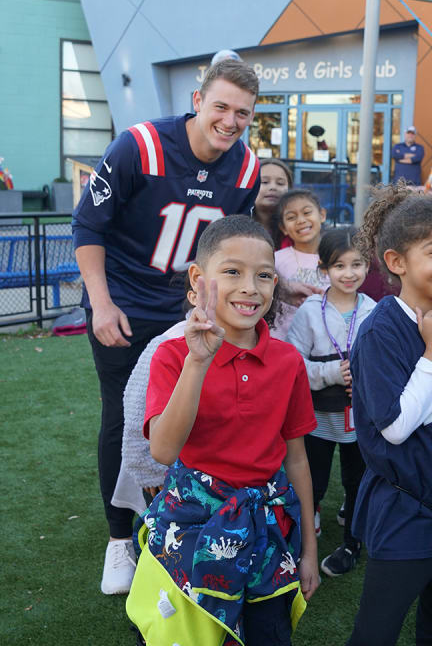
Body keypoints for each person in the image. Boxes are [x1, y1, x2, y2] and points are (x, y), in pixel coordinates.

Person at [72, 57, 262, 595]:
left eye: (242, 113)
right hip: (125, 301)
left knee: (188, 414)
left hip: (186, 309)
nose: (230, 120)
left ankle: (176, 517)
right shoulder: (140, 146)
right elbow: (88, 223)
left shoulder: (245, 168)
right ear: (198, 101)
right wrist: (101, 303)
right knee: (125, 417)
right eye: (221, 106)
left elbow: (227, 242)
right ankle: (118, 539)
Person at [128, 215, 319, 644]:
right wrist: (198, 361)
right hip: (190, 528)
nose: (251, 287)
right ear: (197, 279)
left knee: (268, 633)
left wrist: (309, 550)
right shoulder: (174, 356)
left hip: (267, 533)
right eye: (232, 271)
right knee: (189, 634)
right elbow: (162, 450)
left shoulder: (288, 362)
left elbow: (297, 459)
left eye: (264, 275)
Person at [345, 183, 432, 646]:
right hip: (406, 511)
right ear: (396, 262)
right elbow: (394, 427)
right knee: (376, 632)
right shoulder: (380, 331)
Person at [286, 227, 376, 579]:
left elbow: (385, 363)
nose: (349, 273)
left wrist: (364, 378)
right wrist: (330, 373)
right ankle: (302, 535)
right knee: (314, 479)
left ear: (368, 266)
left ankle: (352, 542)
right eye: (340, 266)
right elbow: (294, 365)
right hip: (318, 416)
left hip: (360, 418)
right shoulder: (310, 311)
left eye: (357, 264)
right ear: (324, 270)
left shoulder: (375, 310)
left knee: (358, 482)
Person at [272, 189, 330, 338]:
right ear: (283, 228)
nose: (301, 220)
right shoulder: (275, 260)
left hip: (326, 342)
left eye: (307, 212)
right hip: (284, 340)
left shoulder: (337, 258)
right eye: (291, 217)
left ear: (322, 215)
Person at [255, 158, 293, 248]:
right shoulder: (236, 227)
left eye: (280, 183)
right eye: (264, 182)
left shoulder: (296, 229)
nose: (273, 187)